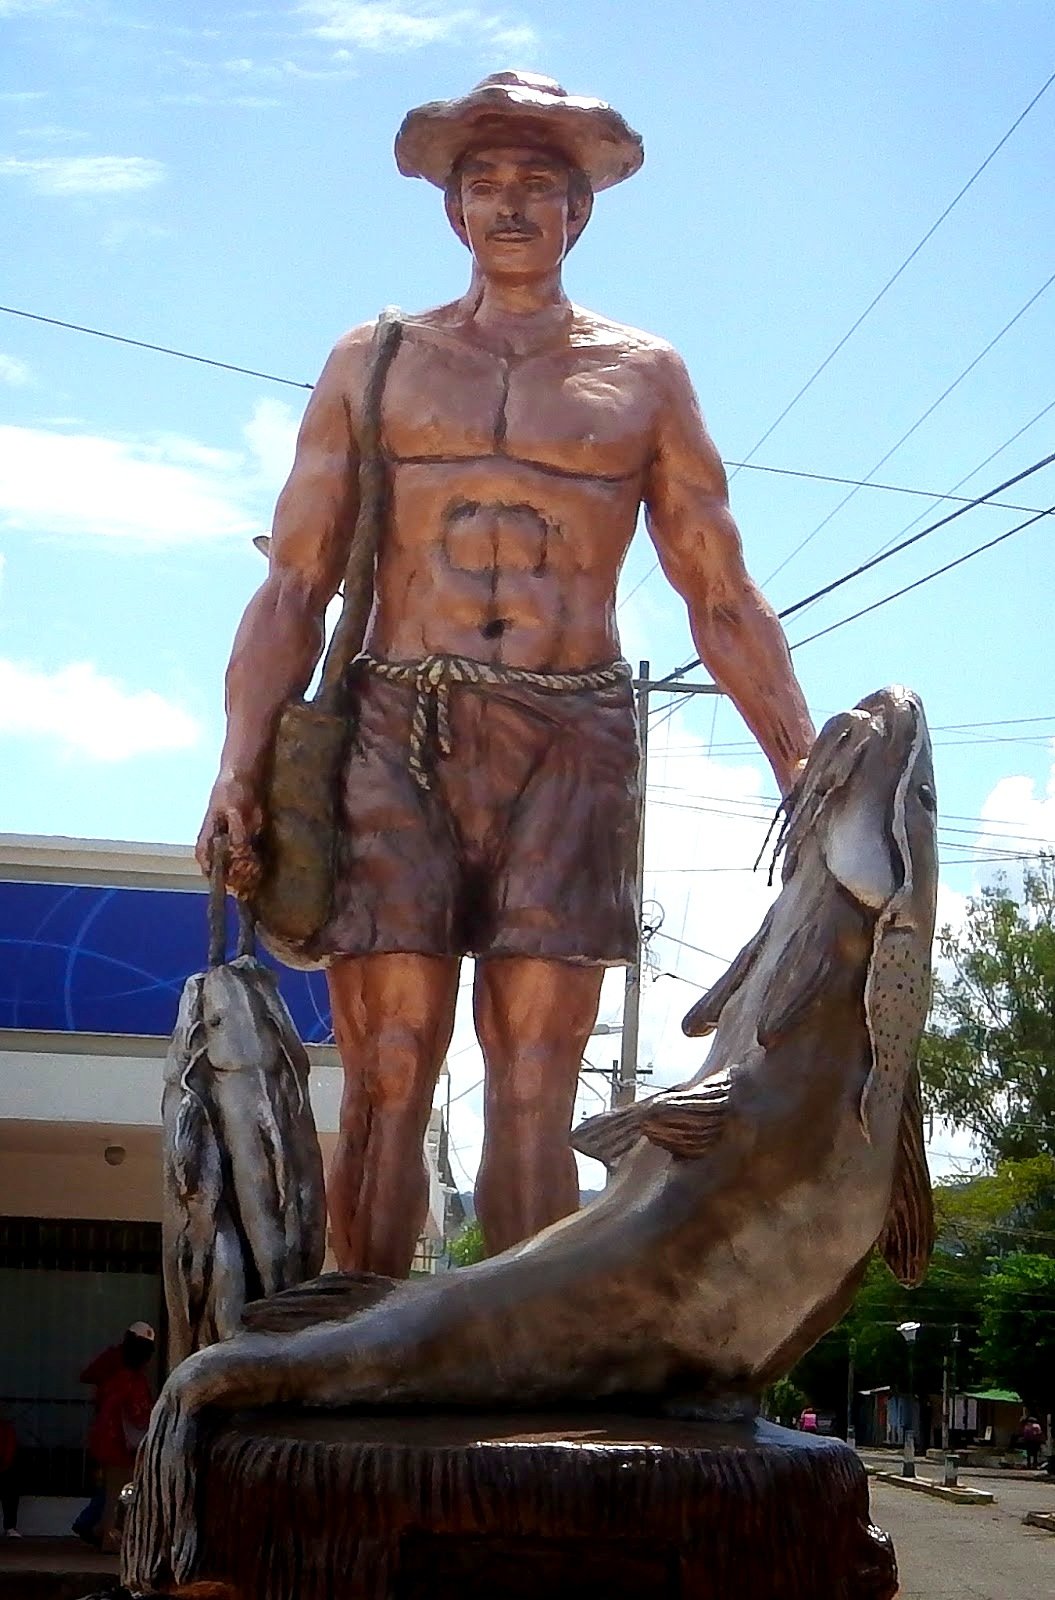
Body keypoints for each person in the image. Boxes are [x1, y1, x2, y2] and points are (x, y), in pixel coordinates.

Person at [197, 70, 815, 1275]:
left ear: (579, 214)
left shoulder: (641, 374)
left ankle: (516, 1351)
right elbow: (293, 583)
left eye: (538, 186)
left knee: (534, 1066)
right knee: (387, 1058)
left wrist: (801, 763)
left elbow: (717, 584)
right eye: (485, 185)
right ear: (454, 213)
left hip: (571, 733)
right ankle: (355, 1340)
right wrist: (238, 760)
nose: (511, 206)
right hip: (395, 723)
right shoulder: (373, 358)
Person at [74, 1323, 155, 1552]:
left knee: (110, 1490)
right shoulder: (131, 1379)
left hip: (106, 1440)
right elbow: (139, 1414)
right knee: (117, 1494)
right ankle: (107, 1537)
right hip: (121, 1446)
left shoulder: (113, 1376)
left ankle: (95, 1527)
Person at [0, 1407, 20, 1538]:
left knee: (10, 1493)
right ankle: (10, 1527)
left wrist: (5, 1464)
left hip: (4, 1467)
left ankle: (10, 1526)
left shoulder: (5, 1428)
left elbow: (10, 1449)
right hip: (4, 1466)